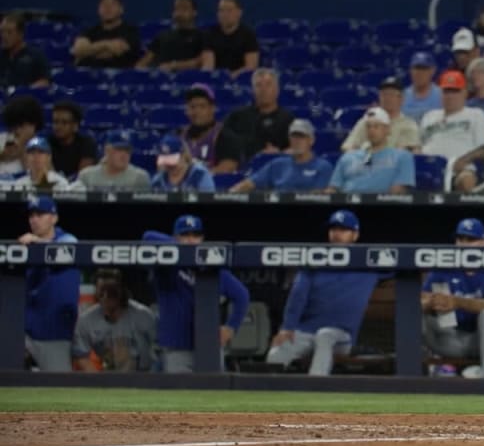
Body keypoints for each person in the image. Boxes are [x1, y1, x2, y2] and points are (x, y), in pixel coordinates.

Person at [266, 210, 380, 376]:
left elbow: (408, 267)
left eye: (343, 230)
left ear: (355, 235)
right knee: (276, 355)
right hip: (306, 332)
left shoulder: (369, 264)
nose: (336, 234)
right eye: (333, 230)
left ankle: (316, 387)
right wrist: (287, 328)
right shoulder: (315, 261)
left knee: (324, 335)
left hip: (341, 338)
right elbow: (298, 296)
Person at [143, 215, 250, 373]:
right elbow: (148, 236)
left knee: (215, 394)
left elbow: (242, 295)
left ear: (202, 238)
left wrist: (231, 327)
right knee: (180, 394)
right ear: (175, 237)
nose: (191, 240)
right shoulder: (165, 263)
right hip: (176, 347)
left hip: (209, 347)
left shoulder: (212, 265)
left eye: (195, 236)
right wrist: (181, 250)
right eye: (185, 235)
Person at [421, 218, 484, 379]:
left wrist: (457, 302)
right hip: (452, 339)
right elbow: (421, 300)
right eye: (460, 239)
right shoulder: (444, 265)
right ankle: (421, 373)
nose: (464, 244)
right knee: (419, 314)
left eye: (471, 239)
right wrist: (432, 302)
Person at [20, 196, 81, 372]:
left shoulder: (67, 239)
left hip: (53, 330)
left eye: (40, 214)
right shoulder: (25, 244)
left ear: (54, 218)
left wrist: (37, 244)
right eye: (31, 215)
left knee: (58, 385)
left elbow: (68, 250)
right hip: (24, 328)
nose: (34, 219)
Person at [420, 70, 484, 192]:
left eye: (455, 91)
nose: (450, 96)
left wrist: (462, 161)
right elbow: (420, 145)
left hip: (460, 169)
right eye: (446, 91)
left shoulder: (475, 114)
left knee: (466, 180)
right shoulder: (429, 116)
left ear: (464, 92)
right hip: (429, 168)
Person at [72, 269, 157, 372]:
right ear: (96, 292)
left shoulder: (144, 316)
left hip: (144, 376)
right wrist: (99, 382)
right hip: (109, 377)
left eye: (112, 292)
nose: (106, 296)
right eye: (102, 291)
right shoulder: (86, 320)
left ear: (122, 290)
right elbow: (81, 356)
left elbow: (158, 351)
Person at [230, 119, 332, 193]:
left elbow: (317, 196)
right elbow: (250, 183)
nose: (297, 141)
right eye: (294, 137)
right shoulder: (278, 164)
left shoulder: (323, 167)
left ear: (311, 140)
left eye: (301, 137)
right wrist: (232, 193)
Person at [328, 107, 415, 194]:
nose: (371, 130)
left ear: (387, 130)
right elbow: (333, 189)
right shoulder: (348, 157)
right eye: (368, 127)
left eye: (376, 126)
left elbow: (397, 193)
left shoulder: (402, 157)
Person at [223, 68, 295, 164]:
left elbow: (297, 149)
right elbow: (222, 143)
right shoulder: (237, 117)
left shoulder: (288, 119)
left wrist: (279, 154)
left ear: (277, 90)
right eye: (258, 85)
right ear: (253, 90)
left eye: (268, 84)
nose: (263, 89)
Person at [341, 77, 420, 153]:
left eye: (391, 94)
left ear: (401, 99)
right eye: (384, 94)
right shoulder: (367, 121)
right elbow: (347, 147)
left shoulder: (409, 124)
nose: (387, 98)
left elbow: (412, 152)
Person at [180, 83, 243, 174]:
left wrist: (198, 179)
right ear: (187, 111)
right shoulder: (180, 136)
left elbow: (227, 169)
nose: (197, 112)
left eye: (202, 106)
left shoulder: (225, 137)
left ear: (212, 109)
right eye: (192, 107)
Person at [70, 0, 141, 69]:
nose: (108, 8)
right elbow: (78, 50)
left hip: (119, 78)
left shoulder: (130, 30)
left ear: (121, 9)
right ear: (98, 9)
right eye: (104, 4)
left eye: (113, 4)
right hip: (89, 77)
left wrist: (89, 51)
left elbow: (117, 51)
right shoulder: (90, 31)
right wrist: (106, 44)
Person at [136, 0, 205, 72]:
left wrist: (175, 65)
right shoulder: (162, 36)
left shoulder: (202, 36)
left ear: (195, 12)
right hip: (161, 79)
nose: (179, 12)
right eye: (177, 8)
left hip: (189, 80)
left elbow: (202, 60)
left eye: (184, 8)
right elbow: (144, 62)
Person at [200, 0, 260, 78]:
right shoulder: (209, 34)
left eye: (229, 10)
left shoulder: (248, 35)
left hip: (240, 79)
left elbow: (250, 66)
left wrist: (230, 77)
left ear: (239, 13)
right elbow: (208, 65)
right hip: (217, 79)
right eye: (221, 10)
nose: (225, 14)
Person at [75, 129, 151, 191]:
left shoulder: (140, 177)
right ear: (107, 151)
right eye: (119, 150)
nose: (124, 155)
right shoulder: (86, 176)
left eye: (127, 150)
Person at [8, 136, 79, 193]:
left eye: (41, 152)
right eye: (32, 153)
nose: (36, 156)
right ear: (27, 157)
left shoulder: (60, 183)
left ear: (49, 157)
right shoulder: (18, 184)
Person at [46, 101, 96, 178]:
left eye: (64, 122)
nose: (58, 127)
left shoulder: (86, 143)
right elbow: (46, 174)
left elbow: (83, 176)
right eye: (55, 122)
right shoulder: (47, 143)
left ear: (75, 126)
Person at [150, 135, 216, 192]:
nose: (169, 165)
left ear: (183, 155)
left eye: (171, 160)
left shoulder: (200, 175)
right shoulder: (157, 181)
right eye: (165, 161)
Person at [0, 12, 50, 88]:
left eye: (9, 32)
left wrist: (26, 90)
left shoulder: (36, 56)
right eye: (2, 31)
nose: (4, 36)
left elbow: (45, 82)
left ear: (21, 34)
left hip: (24, 97)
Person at [1, 94, 45, 175]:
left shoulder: (42, 145)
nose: (16, 130)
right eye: (14, 125)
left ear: (33, 125)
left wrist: (21, 149)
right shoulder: (2, 138)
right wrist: (2, 156)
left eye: (21, 125)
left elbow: (36, 177)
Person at [402, 52, 441, 124]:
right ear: (410, 70)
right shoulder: (402, 96)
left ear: (432, 70)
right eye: (416, 68)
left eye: (424, 68)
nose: (419, 72)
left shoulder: (442, 95)